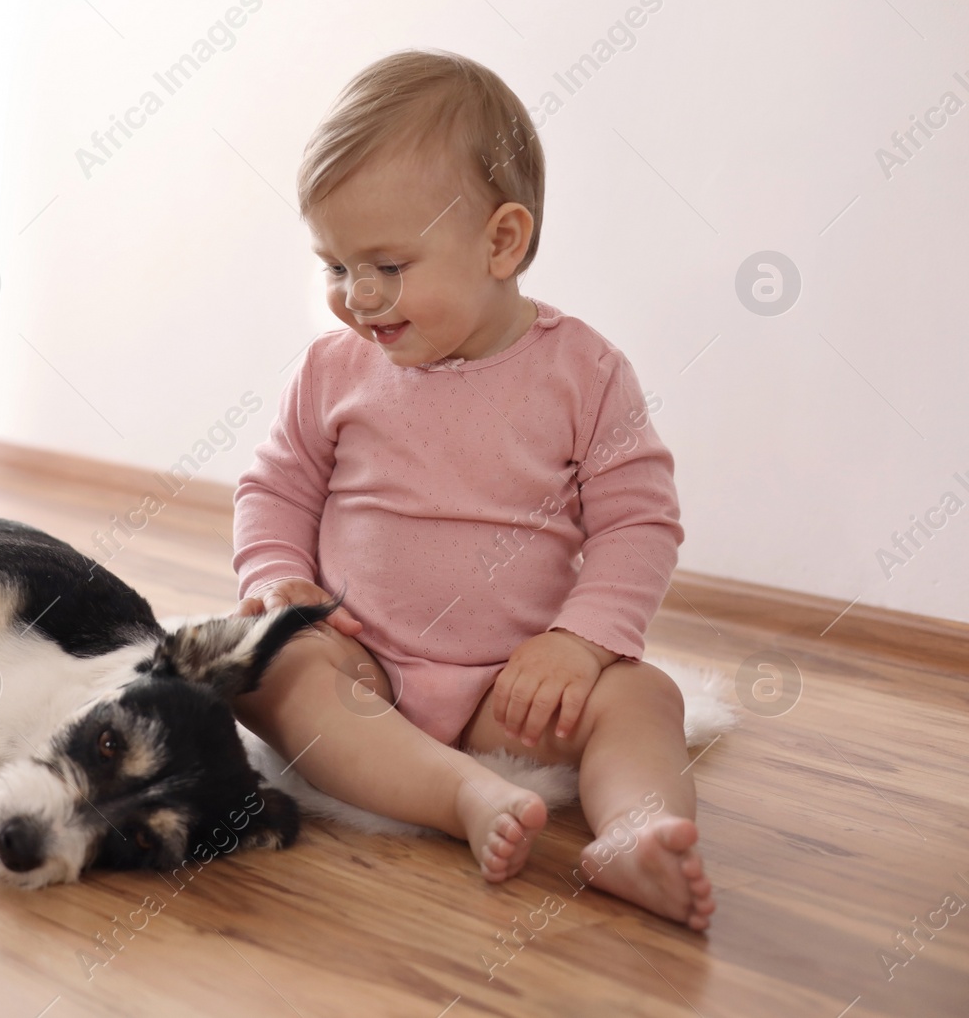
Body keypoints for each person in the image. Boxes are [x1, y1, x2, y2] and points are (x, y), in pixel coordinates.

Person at [230, 49, 714, 931]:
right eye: (334, 266)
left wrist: (580, 642)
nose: (356, 298)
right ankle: (458, 795)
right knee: (261, 669)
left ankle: (637, 832)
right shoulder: (334, 368)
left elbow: (638, 522)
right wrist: (273, 575)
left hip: (512, 688)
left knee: (645, 698)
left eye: (385, 264)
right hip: (362, 662)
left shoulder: (583, 372)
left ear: (502, 241)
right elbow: (277, 483)